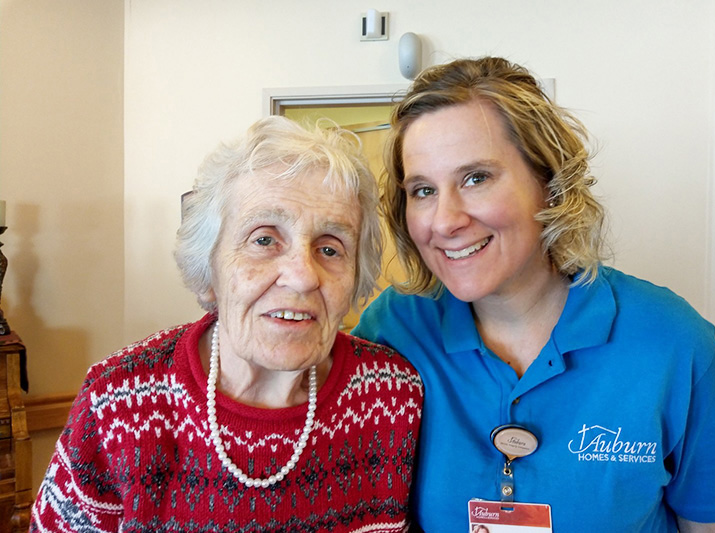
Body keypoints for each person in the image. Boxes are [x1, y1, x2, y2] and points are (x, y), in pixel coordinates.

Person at [353, 57, 715, 531]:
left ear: (549, 183)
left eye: (475, 178)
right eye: (422, 190)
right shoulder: (395, 330)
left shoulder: (670, 342)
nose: (444, 220)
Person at [30, 117, 424, 532]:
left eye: (330, 248)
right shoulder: (120, 400)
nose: (304, 275)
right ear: (209, 268)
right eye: (264, 239)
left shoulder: (393, 397)